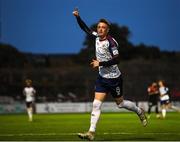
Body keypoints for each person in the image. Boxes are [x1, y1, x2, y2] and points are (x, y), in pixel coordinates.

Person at [73, 8, 147, 140]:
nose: (100, 29)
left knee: (121, 104)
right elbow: (85, 29)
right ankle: (91, 133)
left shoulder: (111, 42)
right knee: (96, 104)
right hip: (102, 78)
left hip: (114, 79)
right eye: (99, 27)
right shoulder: (96, 37)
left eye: (103, 28)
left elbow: (117, 60)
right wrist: (78, 17)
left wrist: (100, 63)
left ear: (107, 30)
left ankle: (139, 111)